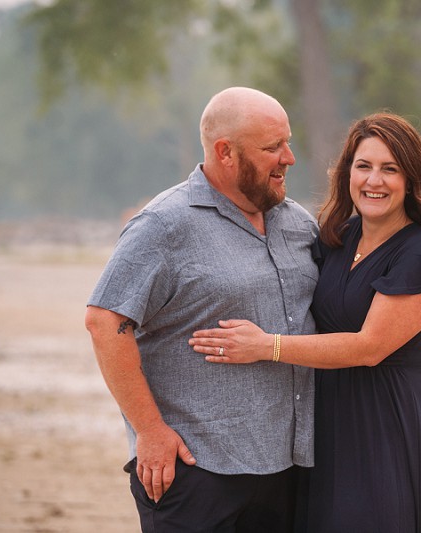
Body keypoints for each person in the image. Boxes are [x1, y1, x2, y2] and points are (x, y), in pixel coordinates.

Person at [190, 112, 421, 532]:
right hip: (327, 425)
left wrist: (268, 346)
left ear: (410, 180)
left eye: (390, 169)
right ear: (348, 174)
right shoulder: (337, 238)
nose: (374, 181)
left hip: (386, 426)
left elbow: (369, 346)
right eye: (364, 166)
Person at [84, 87, 319, 532]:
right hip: (195, 468)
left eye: (288, 142)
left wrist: (409, 351)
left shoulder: (298, 223)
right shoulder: (164, 224)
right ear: (225, 152)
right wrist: (149, 432)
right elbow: (105, 321)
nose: (289, 157)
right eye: (273, 147)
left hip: (289, 469)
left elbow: (336, 307)